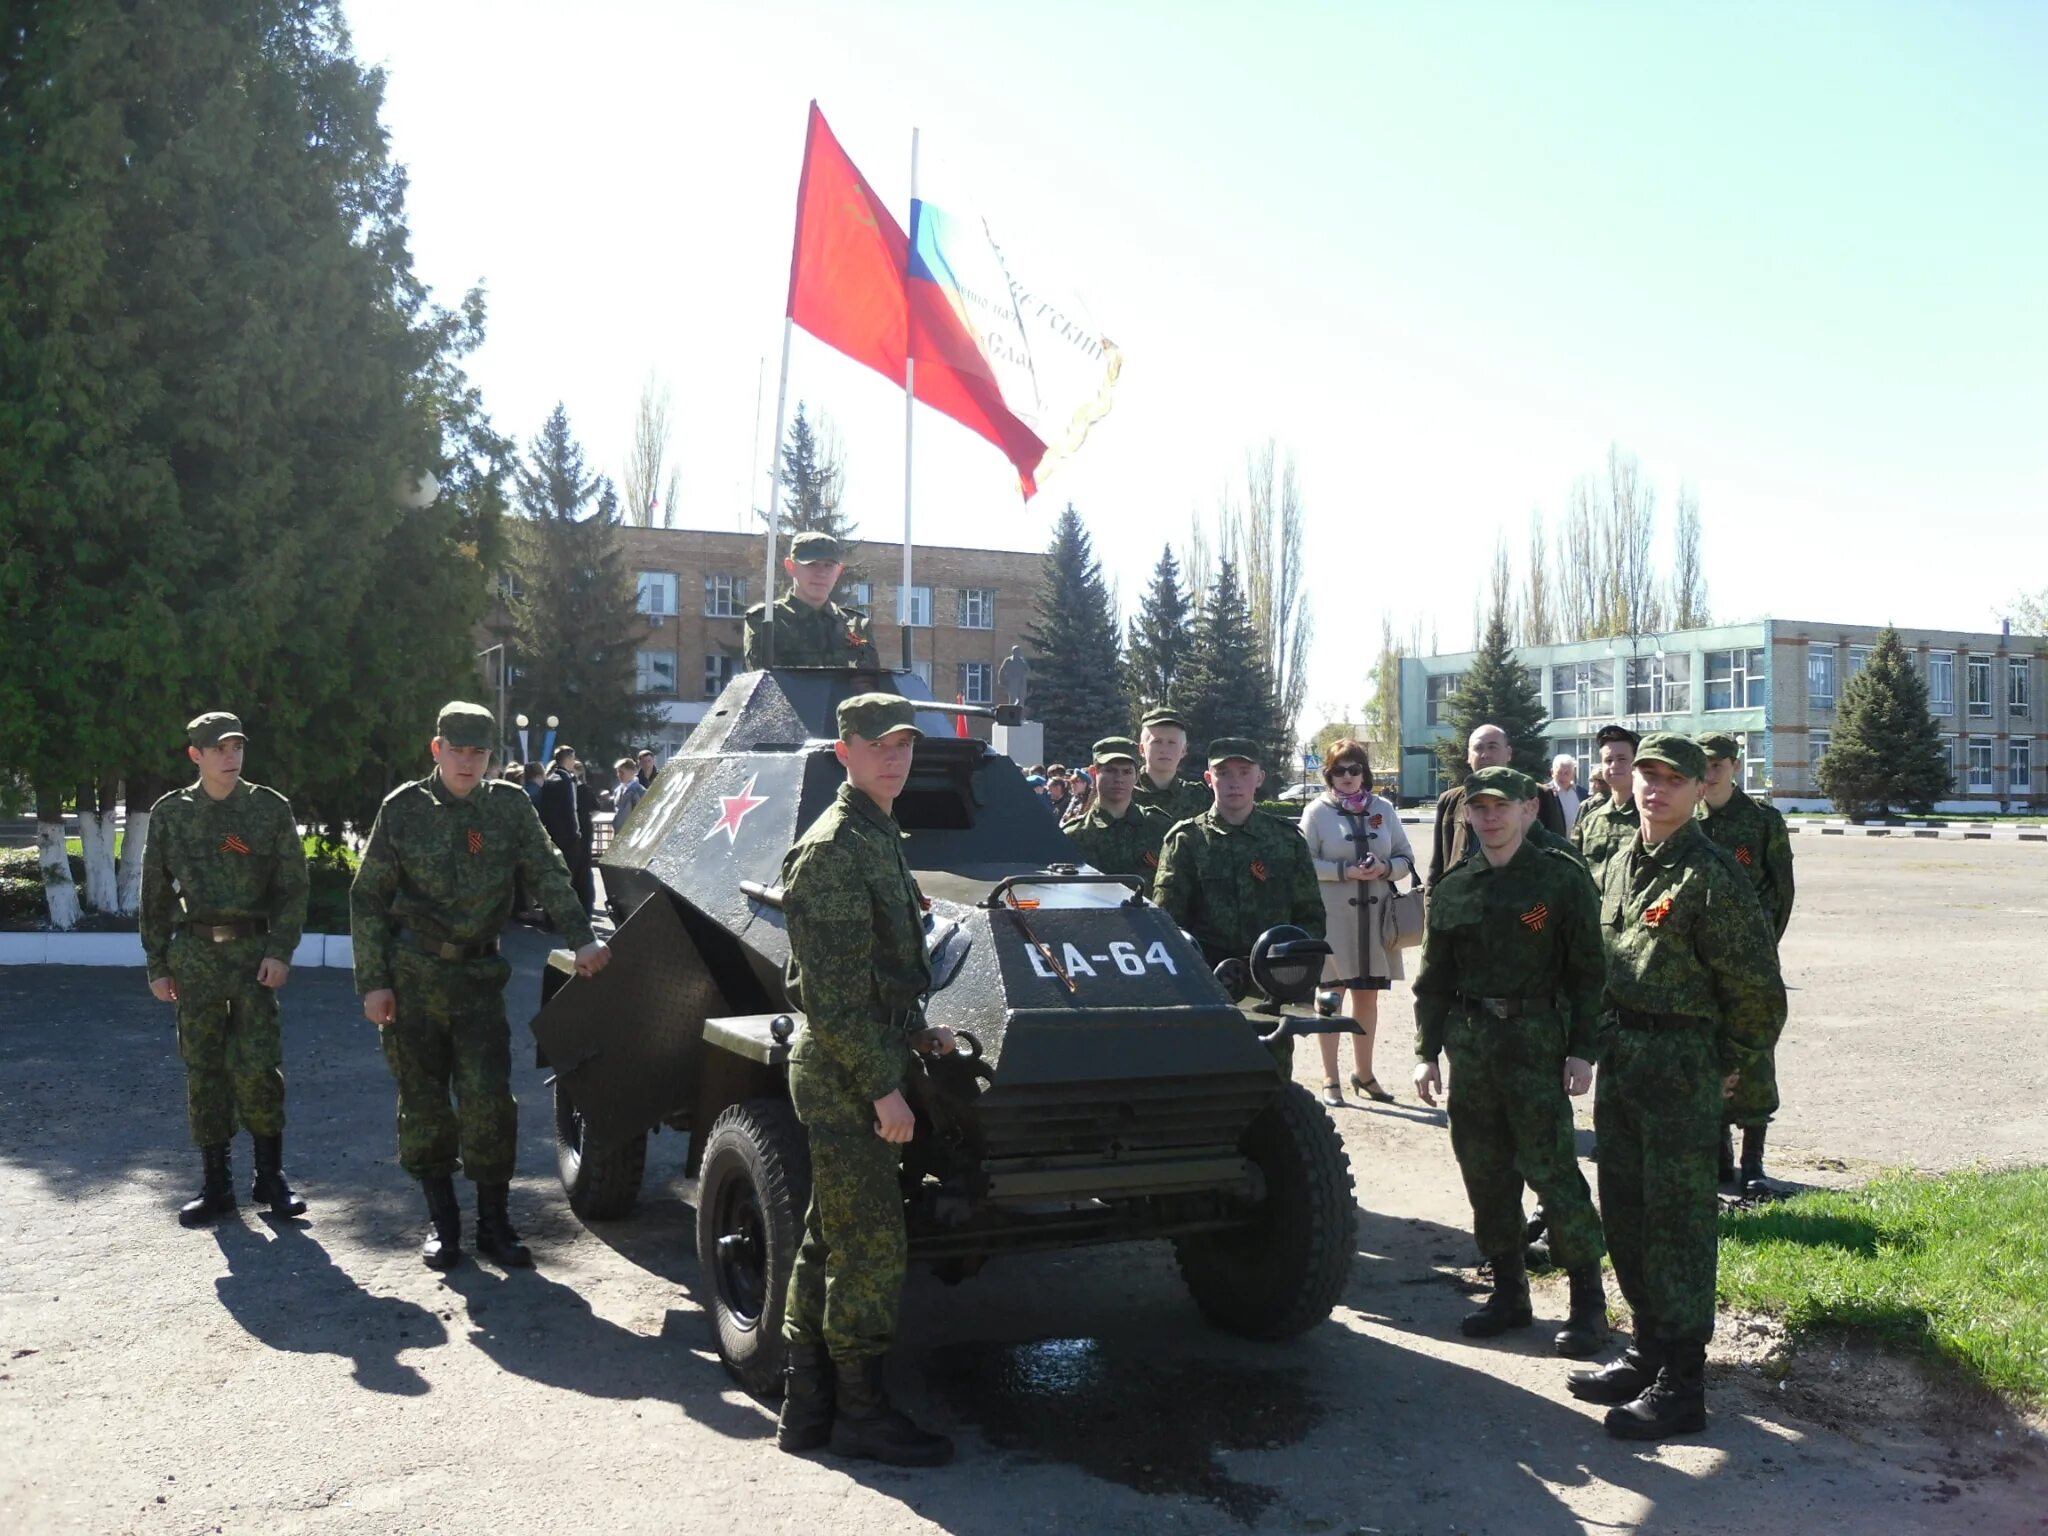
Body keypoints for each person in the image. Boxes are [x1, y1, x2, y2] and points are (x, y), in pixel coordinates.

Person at [1568, 734, 1785, 1441]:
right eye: (1647, 775)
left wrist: (1733, 1062)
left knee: (1679, 1223)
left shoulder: (1712, 875)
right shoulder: (1621, 862)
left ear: (1699, 791)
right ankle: (1646, 1349)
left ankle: (1683, 1382)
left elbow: (1756, 990)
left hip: (1684, 1065)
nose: (1654, 788)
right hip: (1625, 1058)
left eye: (1672, 779)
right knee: (1625, 1211)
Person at [350, 701, 611, 1271]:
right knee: (424, 1104)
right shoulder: (404, 809)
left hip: (478, 980)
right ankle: (443, 1225)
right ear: (436, 749)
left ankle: (495, 1224)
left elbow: (548, 870)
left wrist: (582, 936)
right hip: (414, 977)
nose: (468, 763)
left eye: (479, 752)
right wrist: (373, 982)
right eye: (457, 750)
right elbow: (367, 899)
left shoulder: (510, 808)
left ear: (490, 756)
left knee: (490, 1103)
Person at [775, 693, 955, 1467]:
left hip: (871, 1055)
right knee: (871, 1244)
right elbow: (835, 996)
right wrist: (885, 1086)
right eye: (879, 744)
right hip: (848, 1074)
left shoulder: (880, 835)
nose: (895, 757)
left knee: (827, 1238)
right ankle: (860, 1413)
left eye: (905, 744)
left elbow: (882, 967)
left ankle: (806, 1408)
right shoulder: (835, 849)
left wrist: (917, 1027)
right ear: (844, 750)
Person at [1410, 766, 1610, 1358]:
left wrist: (1582, 1049)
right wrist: (1426, 1053)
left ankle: (1587, 1303)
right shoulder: (1454, 887)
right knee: (1485, 1172)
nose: (1490, 817)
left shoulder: (1561, 880)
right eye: (1479, 808)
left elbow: (1587, 971)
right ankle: (1509, 1292)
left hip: (1536, 1043)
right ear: (1467, 814)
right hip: (1471, 1046)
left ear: (1528, 809)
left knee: (1552, 1170)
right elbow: (1433, 981)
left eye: (1502, 806)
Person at [139, 711, 311, 1226]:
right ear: (196, 755)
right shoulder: (172, 813)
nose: (230, 756)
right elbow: (155, 893)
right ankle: (216, 1185)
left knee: (259, 1063)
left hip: (253, 953)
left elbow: (293, 887)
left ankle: (270, 1176)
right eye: (219, 748)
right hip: (195, 956)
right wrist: (157, 962)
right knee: (205, 1069)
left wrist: (280, 950)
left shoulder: (267, 809)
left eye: (236, 746)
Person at [1695, 731, 1796, 1196]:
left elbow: (1782, 892)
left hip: (1749, 965)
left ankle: (1752, 1161)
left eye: (1718, 763)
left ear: (1735, 766)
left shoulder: (1761, 822)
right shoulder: (1686, 819)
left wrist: (1757, 949)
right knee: (1703, 1049)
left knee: (1753, 1053)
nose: (1710, 772)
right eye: (1703, 764)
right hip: (1696, 963)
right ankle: (1716, 1157)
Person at [1153, 735, 1325, 987]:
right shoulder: (1186, 840)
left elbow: (1311, 916)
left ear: (1259, 778)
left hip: (1275, 979)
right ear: (1208, 779)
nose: (1234, 782)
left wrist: (1293, 968)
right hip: (1206, 980)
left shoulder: (1286, 840)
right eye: (1223, 773)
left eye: (1244, 772)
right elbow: (1169, 922)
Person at [1297, 739, 1414, 1106]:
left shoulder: (1383, 809)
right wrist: (1344, 871)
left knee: (1367, 997)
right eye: (1339, 770)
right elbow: (1303, 863)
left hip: (1375, 920)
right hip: (1333, 921)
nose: (1348, 776)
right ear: (1329, 774)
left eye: (1355, 769)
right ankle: (1330, 1078)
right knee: (1331, 997)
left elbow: (1405, 858)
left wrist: (1384, 868)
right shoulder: (1317, 812)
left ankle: (1364, 1075)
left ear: (1365, 772)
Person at [1427, 724, 1566, 888]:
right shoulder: (1451, 800)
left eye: (1493, 747)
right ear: (1468, 757)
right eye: (1478, 748)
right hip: (1462, 904)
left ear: (1508, 753)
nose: (1485, 755)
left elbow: (1560, 857)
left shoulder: (1538, 795)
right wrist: (1432, 909)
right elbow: (1437, 868)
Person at [742, 531, 877, 669]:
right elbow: (764, 682)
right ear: (791, 566)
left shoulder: (857, 625)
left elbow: (871, 684)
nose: (821, 573)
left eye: (828, 565)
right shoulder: (766, 620)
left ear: (839, 570)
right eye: (811, 564)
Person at [1062, 737, 1172, 893]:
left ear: (1137, 776)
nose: (1119, 779)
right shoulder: (1074, 835)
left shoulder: (1160, 829)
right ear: (1094, 773)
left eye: (1127, 771)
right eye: (1110, 770)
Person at [1570, 725, 1641, 883]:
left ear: (1636, 764)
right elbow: (1573, 871)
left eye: (1622, 759)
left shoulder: (1651, 818)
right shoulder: (1590, 821)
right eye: (1608, 760)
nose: (1614, 765)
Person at [1133, 707, 1212, 824]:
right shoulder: (1125, 793)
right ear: (1142, 749)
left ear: (1184, 750)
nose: (1164, 749)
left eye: (1172, 742)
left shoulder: (1198, 798)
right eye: (1157, 742)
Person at [537, 745, 588, 919]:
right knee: (568, 878)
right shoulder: (567, 780)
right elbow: (571, 809)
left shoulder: (549, 778)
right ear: (568, 759)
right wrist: (576, 832)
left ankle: (550, 915)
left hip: (552, 834)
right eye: (573, 759)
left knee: (554, 876)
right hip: (568, 836)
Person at [1550, 754, 1583, 830]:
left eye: (1567, 773)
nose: (1563, 777)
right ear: (1552, 772)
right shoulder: (1545, 793)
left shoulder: (1582, 793)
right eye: (1559, 773)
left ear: (1573, 773)